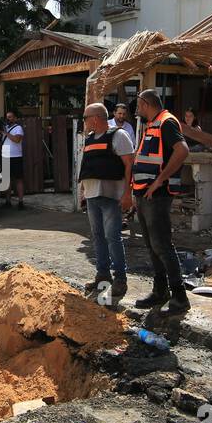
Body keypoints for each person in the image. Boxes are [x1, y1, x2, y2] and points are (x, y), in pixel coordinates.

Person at [131, 90, 192, 314]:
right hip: (145, 194)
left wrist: (160, 180)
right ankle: (160, 291)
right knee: (152, 245)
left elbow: (182, 150)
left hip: (158, 195)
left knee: (162, 245)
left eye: (138, 104)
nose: (136, 109)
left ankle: (179, 297)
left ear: (146, 104)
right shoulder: (152, 125)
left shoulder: (166, 122)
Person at [79, 102, 135, 304]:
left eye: (85, 118)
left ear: (95, 118)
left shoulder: (118, 136)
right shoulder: (89, 139)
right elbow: (88, 166)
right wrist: (83, 191)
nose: (84, 122)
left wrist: (128, 194)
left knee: (113, 237)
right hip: (93, 195)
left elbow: (129, 164)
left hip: (112, 196)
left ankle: (120, 279)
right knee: (98, 236)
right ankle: (102, 275)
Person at [0, 110, 26, 209]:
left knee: (18, 179)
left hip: (16, 157)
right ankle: (8, 201)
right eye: (7, 117)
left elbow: (17, 140)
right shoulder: (4, 128)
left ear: (15, 118)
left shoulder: (18, 128)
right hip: (5, 156)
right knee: (7, 180)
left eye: (10, 117)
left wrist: (5, 133)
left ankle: (21, 202)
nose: (8, 119)